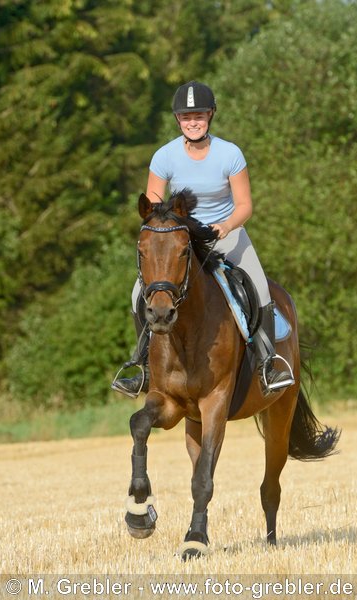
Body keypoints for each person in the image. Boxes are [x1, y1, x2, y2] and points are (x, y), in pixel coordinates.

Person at [112, 81, 294, 397]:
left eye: (198, 115)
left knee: (259, 286)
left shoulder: (230, 154)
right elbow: (155, 208)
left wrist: (226, 226)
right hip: (182, 241)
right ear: (177, 120)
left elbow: (245, 205)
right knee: (135, 293)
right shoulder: (164, 156)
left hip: (227, 236)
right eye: (186, 116)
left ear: (210, 115)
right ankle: (142, 367)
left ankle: (268, 365)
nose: (192, 122)